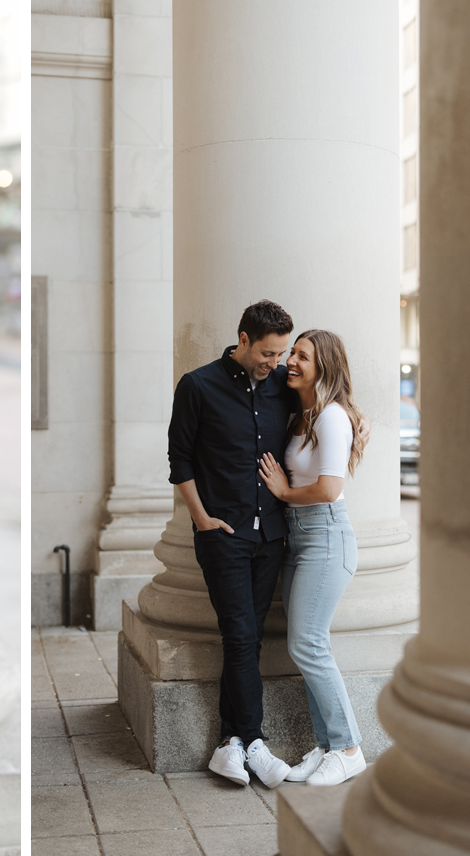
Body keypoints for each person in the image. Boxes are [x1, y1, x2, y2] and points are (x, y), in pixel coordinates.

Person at [167, 300, 299, 788]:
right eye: (267, 353)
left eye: (280, 353)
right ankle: (256, 741)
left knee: (247, 638)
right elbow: (180, 459)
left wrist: (358, 421)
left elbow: (328, 403)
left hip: (271, 536)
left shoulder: (283, 385)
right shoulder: (198, 385)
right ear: (243, 340)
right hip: (223, 536)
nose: (274, 363)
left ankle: (230, 744)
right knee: (242, 636)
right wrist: (201, 520)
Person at [258, 330, 367, 786]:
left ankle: (348, 748)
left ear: (324, 367)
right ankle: (326, 746)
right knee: (307, 645)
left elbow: (329, 487)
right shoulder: (303, 414)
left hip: (326, 535)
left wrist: (284, 492)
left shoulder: (331, 417)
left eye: (303, 356)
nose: (292, 362)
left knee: (308, 643)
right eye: (293, 354)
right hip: (300, 539)